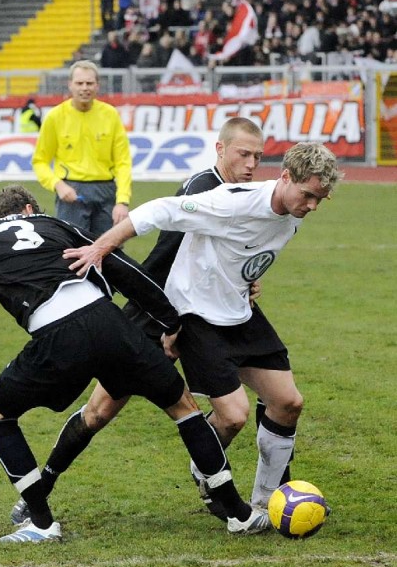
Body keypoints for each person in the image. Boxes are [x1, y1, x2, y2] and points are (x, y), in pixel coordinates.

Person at [0, 185, 269, 544]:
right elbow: (123, 267)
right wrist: (169, 322)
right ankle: (238, 513)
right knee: (183, 406)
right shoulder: (55, 224)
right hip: (112, 325)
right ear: (28, 210)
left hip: (58, 333)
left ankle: (40, 523)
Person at [11, 118, 269, 525]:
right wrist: (164, 319)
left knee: (222, 412)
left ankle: (211, 479)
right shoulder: (203, 188)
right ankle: (39, 489)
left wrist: (244, 282)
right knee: (99, 411)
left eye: (259, 156)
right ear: (220, 151)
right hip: (159, 310)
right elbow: (167, 257)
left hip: (204, 315)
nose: (253, 164)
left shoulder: (248, 195)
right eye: (244, 154)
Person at [62, 142, 342, 514]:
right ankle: (207, 464)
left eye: (320, 199)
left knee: (288, 403)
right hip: (197, 315)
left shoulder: (292, 213)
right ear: (285, 176)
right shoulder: (232, 202)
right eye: (308, 195)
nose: (312, 206)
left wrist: (249, 280)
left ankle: (267, 504)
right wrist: (100, 248)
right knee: (234, 415)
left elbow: (245, 253)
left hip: (239, 312)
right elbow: (160, 210)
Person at [32, 60, 132, 234]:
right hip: (71, 192)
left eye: (89, 83)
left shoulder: (110, 115)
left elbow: (123, 162)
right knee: (73, 249)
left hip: (106, 191)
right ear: (70, 85)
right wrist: (58, 185)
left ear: (97, 86)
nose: (84, 88)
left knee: (109, 251)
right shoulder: (55, 117)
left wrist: (122, 200)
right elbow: (40, 161)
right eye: (79, 83)